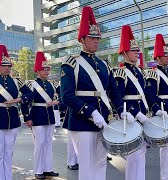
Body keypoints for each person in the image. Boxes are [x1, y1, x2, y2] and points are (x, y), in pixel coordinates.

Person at [60, 6, 127, 180]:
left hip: (103, 119)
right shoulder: (71, 63)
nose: (96, 41)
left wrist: (121, 109)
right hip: (82, 122)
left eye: (98, 37)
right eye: (92, 37)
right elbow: (66, 96)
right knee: (87, 167)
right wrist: (91, 112)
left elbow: (113, 91)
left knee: (100, 163)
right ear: (82, 39)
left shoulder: (104, 64)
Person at [113, 25, 164, 180]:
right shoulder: (121, 73)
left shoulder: (139, 72)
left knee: (141, 154)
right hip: (131, 118)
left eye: (137, 51)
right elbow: (118, 98)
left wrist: (155, 108)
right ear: (124, 53)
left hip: (143, 115)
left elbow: (147, 94)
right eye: (133, 51)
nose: (137, 53)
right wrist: (136, 113)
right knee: (133, 157)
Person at [144, 34, 168, 180]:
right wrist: (162, 108)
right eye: (165, 55)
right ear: (158, 57)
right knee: (166, 148)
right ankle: (166, 177)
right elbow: (151, 95)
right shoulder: (153, 74)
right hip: (164, 112)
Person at [24, 51, 59, 179]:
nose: (46, 72)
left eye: (47, 69)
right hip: (37, 116)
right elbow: (25, 102)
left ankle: (48, 168)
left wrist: (57, 101)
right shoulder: (32, 84)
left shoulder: (51, 84)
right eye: (43, 70)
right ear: (37, 71)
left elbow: (59, 96)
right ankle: (38, 170)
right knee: (39, 144)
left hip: (49, 116)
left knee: (48, 143)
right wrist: (27, 117)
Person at [0, 44, 33, 180]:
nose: (7, 68)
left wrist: (18, 99)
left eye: (9, 66)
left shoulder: (16, 81)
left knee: (9, 152)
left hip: (12, 119)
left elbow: (29, 94)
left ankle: (7, 177)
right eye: (4, 66)